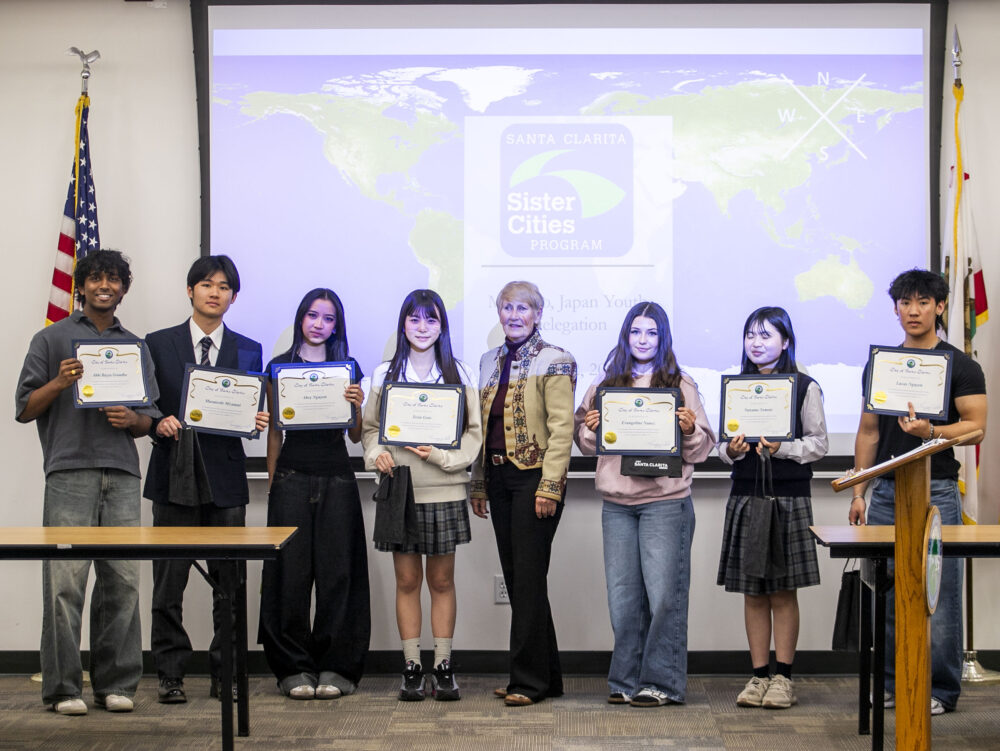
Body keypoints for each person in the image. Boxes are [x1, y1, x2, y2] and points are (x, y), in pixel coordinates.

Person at [16, 249, 159, 715]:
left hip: (120, 473)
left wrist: (132, 419)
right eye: (96, 278)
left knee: (123, 584)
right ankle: (62, 688)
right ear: (82, 286)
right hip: (69, 471)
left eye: (114, 280)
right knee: (63, 585)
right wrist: (59, 383)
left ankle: (116, 684)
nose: (105, 286)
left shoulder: (135, 346)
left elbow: (149, 420)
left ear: (123, 289)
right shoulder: (50, 339)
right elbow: (24, 408)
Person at [849, 269, 986, 715]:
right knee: (888, 592)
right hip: (887, 492)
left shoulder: (960, 365)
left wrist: (932, 430)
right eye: (905, 303)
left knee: (939, 595)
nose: (913, 310)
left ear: (940, 307)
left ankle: (941, 689)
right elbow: (869, 431)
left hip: (938, 490)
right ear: (895, 309)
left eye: (923, 302)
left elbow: (976, 427)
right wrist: (858, 490)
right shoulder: (882, 364)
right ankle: (893, 683)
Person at [574, 302, 714, 707]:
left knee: (664, 595)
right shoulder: (606, 383)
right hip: (617, 504)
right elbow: (586, 443)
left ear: (662, 338)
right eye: (636, 332)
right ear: (625, 336)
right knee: (623, 598)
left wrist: (688, 430)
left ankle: (662, 684)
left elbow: (703, 448)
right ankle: (625, 680)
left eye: (651, 333)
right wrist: (591, 429)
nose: (642, 340)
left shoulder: (680, 383)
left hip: (665, 505)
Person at [143, 255, 268, 703]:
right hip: (174, 474)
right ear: (190, 290)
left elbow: (248, 415)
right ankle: (171, 674)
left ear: (233, 296)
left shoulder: (250, 349)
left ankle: (226, 674)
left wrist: (256, 418)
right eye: (206, 284)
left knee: (229, 584)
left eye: (224, 286)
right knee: (169, 582)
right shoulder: (157, 344)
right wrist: (158, 421)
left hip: (226, 477)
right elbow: (146, 403)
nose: (215, 292)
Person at [362, 289, 482, 702]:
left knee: (442, 580)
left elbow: (473, 434)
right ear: (403, 325)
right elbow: (368, 431)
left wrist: (445, 458)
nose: (422, 328)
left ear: (442, 327)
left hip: (444, 489)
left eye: (431, 320)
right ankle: (412, 667)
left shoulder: (460, 375)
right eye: (414, 320)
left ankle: (443, 665)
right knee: (407, 580)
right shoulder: (382, 375)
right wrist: (376, 455)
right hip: (400, 489)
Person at [259, 288, 370, 700]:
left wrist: (356, 405)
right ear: (300, 320)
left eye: (327, 318)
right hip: (290, 477)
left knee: (338, 574)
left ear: (336, 325)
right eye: (312, 316)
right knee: (289, 576)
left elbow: (356, 435)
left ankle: (336, 667)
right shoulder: (279, 367)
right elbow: (274, 432)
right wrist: (273, 482)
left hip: (337, 478)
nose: (318, 324)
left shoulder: (348, 367)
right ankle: (292, 668)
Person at [716, 307, 828, 709]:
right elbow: (721, 445)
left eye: (766, 335)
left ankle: (783, 678)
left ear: (785, 341)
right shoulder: (737, 387)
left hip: (789, 498)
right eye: (750, 335)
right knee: (752, 592)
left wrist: (785, 448)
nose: (756, 343)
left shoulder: (804, 386)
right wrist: (728, 450)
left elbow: (819, 443)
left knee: (783, 591)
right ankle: (758, 676)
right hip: (746, 494)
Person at [471, 281, 576, 707]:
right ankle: (545, 677)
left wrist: (550, 486)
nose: (514, 316)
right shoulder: (487, 361)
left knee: (529, 579)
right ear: (499, 312)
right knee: (519, 580)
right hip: (497, 480)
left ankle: (527, 682)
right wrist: (478, 483)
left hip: (534, 480)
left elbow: (562, 429)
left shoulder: (556, 359)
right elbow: (482, 429)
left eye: (523, 308)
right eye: (507, 307)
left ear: (538, 313)